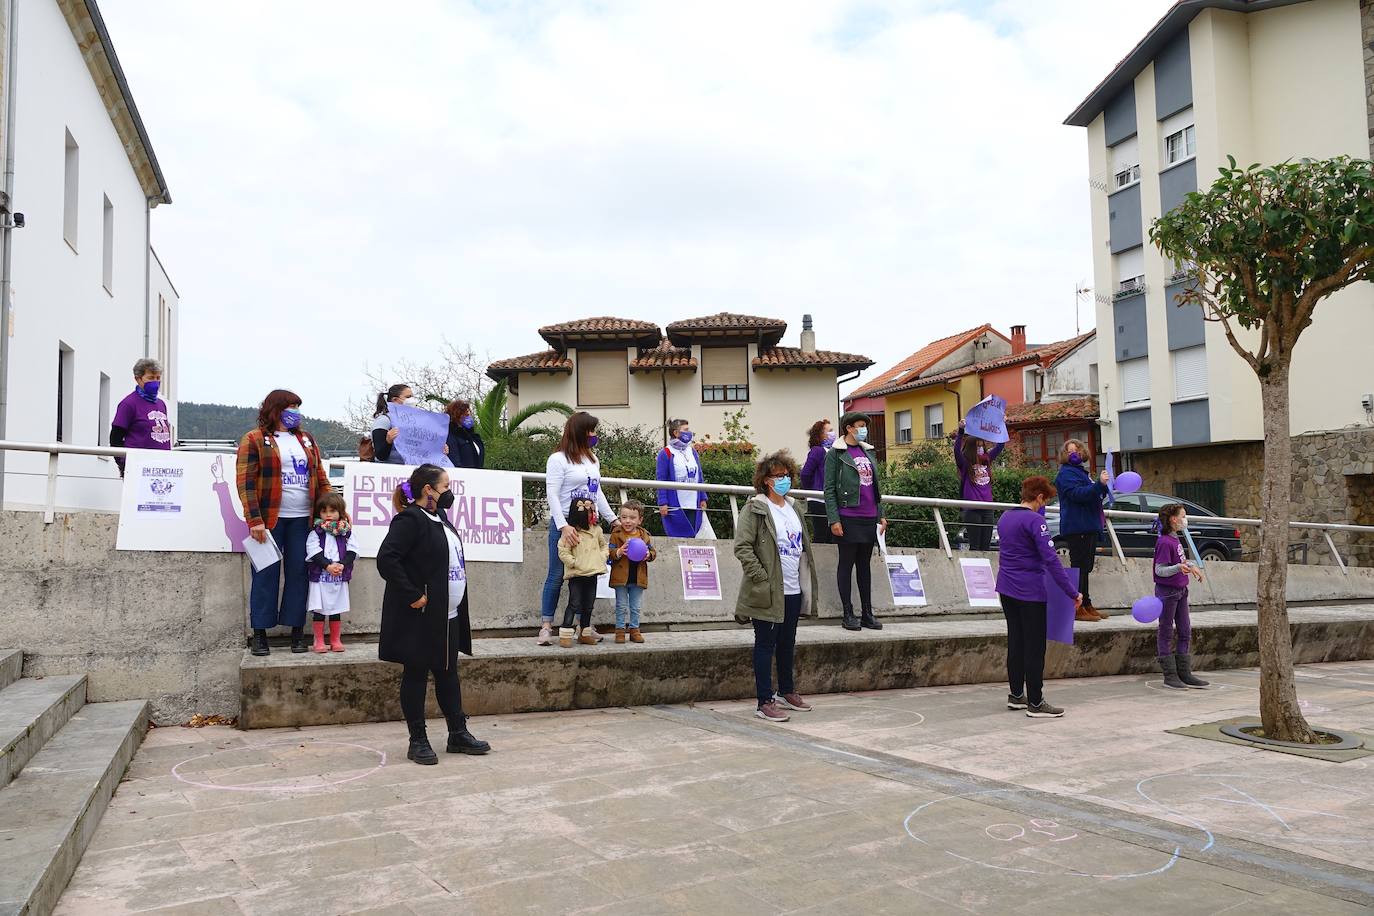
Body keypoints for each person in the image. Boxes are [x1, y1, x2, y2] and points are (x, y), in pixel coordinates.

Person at [376, 463, 490, 765]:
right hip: (421, 616)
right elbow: (387, 560)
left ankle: (457, 733)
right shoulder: (410, 519)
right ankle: (418, 740)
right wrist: (413, 594)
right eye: (445, 486)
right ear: (428, 489)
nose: (449, 492)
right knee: (416, 674)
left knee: (448, 673)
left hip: (447, 616)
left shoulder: (441, 518)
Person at [236, 389, 332, 656]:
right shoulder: (254, 439)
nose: (295, 412)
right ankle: (260, 633)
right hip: (269, 521)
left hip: (303, 520)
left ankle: (296, 631)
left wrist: (333, 508)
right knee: (265, 574)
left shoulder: (306, 439)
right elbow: (245, 483)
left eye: (297, 407)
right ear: (276, 409)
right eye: (291, 406)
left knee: (299, 574)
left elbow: (321, 477)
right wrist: (255, 520)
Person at [734, 450, 820, 723]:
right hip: (768, 590)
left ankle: (786, 690)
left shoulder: (794, 508)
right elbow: (742, 547)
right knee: (765, 645)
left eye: (787, 475)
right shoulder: (755, 509)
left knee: (787, 643)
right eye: (778, 476)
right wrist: (762, 578)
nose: (784, 480)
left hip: (793, 589)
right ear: (766, 480)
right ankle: (764, 701)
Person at [995, 476, 1082, 719]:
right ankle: (1035, 702)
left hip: (1006, 587)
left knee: (1016, 641)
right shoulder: (1035, 521)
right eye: (1046, 501)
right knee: (1034, 646)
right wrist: (1072, 592)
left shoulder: (1005, 517)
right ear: (1039, 497)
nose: (1045, 505)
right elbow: (1051, 560)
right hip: (1030, 591)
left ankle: (1016, 695)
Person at [538, 412, 616, 646]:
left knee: (587, 574)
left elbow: (596, 491)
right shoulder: (558, 459)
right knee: (556, 575)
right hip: (565, 523)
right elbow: (552, 493)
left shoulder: (592, 459)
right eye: (590, 430)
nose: (594, 435)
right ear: (579, 432)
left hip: (589, 527)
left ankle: (584, 626)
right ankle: (546, 626)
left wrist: (612, 519)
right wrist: (563, 526)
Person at [823, 411, 888, 632]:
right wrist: (834, 519)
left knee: (864, 566)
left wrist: (880, 515)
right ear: (849, 428)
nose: (864, 429)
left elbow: (875, 488)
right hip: (848, 516)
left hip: (869, 517)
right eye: (860, 425)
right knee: (846, 563)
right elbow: (829, 489)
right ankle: (848, 613)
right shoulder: (836, 453)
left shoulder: (867, 451)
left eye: (864, 426)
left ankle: (867, 613)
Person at [1054, 439, 1111, 622]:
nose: (1074, 453)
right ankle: (1077, 607)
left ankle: (1086, 603)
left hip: (1088, 524)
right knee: (1079, 567)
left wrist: (1102, 486)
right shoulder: (1066, 474)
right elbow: (1078, 495)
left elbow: (1092, 493)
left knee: (1086, 567)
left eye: (1077, 450)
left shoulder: (1080, 472)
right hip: (1077, 525)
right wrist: (1098, 485)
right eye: (1070, 451)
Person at [1154, 503, 1209, 689]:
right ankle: (1170, 675)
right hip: (1167, 592)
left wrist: (1191, 567)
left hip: (1181, 590)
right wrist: (1179, 568)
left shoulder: (1175, 539)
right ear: (1173, 519)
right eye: (1183, 516)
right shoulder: (1164, 542)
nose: (1185, 520)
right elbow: (1160, 570)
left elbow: (1181, 561)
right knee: (1166, 631)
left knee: (1185, 630)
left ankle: (1184, 672)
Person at [306, 491, 357, 654]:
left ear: (340, 512)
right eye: (324, 511)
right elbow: (313, 551)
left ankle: (335, 640)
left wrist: (342, 565)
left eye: (332, 511)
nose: (328, 515)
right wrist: (327, 566)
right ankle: (319, 640)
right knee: (319, 609)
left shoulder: (346, 532)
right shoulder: (316, 532)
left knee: (336, 608)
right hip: (320, 577)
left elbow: (352, 551)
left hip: (339, 577)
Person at [557, 498, 610, 648]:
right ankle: (565, 633)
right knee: (574, 603)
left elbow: (604, 545)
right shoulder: (571, 532)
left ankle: (584, 633)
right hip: (577, 574)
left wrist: (601, 557)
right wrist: (575, 562)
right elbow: (563, 551)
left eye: (592, 511)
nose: (591, 515)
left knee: (589, 605)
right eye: (588, 512)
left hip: (593, 572)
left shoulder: (597, 530)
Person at [109, 358, 172, 475]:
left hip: (162, 467)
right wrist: (124, 464)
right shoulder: (128, 404)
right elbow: (115, 438)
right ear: (138, 379)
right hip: (138, 468)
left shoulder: (161, 404)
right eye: (151, 378)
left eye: (158, 378)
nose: (155, 382)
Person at [609, 499, 656, 643]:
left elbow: (653, 552)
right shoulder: (616, 533)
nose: (627, 521)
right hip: (621, 577)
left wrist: (648, 555)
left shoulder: (644, 535)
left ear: (640, 520)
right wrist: (619, 551)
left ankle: (635, 630)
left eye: (632, 518)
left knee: (635, 606)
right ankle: (620, 630)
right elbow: (609, 552)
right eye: (624, 517)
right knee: (621, 605)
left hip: (637, 577)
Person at [954, 419, 1005, 552]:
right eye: (978, 446)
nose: (981, 449)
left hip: (988, 508)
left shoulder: (987, 459)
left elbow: (1000, 446)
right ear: (972, 448)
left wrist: (1001, 425)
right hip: (972, 509)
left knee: (986, 546)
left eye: (982, 446)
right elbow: (957, 451)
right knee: (975, 546)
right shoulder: (965, 463)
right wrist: (961, 431)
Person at [656, 418, 708, 538]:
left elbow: (699, 476)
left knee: (694, 534)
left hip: (693, 502)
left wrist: (703, 497)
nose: (689, 433)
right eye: (686, 430)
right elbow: (661, 480)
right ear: (676, 433)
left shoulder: (692, 451)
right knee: (678, 536)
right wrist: (663, 502)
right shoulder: (666, 453)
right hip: (676, 503)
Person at [800, 419, 834, 544]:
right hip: (819, 499)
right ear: (821, 435)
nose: (833, 433)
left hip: (828, 499)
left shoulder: (831, 452)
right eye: (830, 431)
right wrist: (811, 490)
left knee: (829, 535)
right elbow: (805, 473)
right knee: (821, 533)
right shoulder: (818, 451)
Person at [370, 384, 414, 465]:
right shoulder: (384, 420)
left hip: (409, 468)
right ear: (395, 400)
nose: (412, 400)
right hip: (389, 470)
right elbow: (380, 455)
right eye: (408, 397)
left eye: (412, 397)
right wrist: (388, 441)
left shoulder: (411, 421)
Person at [444, 399, 485, 469]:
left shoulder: (473, 436)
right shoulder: (451, 436)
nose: (468, 414)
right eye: (464, 412)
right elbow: (455, 462)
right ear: (455, 415)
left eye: (468, 411)